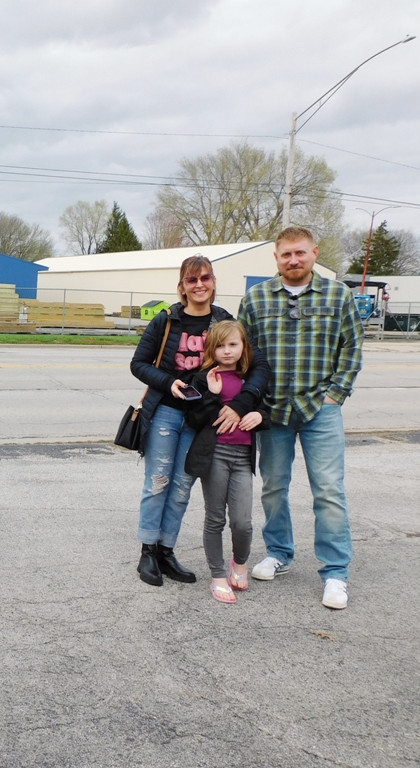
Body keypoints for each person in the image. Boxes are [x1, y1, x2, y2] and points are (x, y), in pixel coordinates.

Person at [239, 226, 363, 610]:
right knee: (274, 487)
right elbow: (243, 354)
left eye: (300, 253)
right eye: (286, 254)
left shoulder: (338, 296)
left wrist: (335, 394)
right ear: (276, 257)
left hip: (320, 409)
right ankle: (279, 553)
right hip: (272, 410)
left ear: (314, 253)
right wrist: (251, 401)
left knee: (328, 491)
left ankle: (335, 572)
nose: (293, 260)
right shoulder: (256, 298)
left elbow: (352, 348)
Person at [130, 255, 269, 587]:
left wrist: (244, 404)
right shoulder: (166, 320)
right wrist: (168, 382)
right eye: (191, 280)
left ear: (213, 282)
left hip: (203, 418)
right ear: (182, 286)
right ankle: (148, 552)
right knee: (158, 482)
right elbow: (139, 363)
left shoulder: (225, 321)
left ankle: (166, 551)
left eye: (205, 278)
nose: (199, 285)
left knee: (182, 487)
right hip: (166, 411)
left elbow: (258, 364)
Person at [183, 321, 269, 604]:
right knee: (215, 518)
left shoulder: (250, 380)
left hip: (243, 457)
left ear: (244, 347)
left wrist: (260, 416)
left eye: (233, 344)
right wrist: (212, 393)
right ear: (211, 349)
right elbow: (195, 419)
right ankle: (218, 575)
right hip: (215, 455)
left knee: (242, 522)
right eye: (220, 345)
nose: (227, 351)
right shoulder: (203, 378)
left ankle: (239, 563)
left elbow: (264, 410)